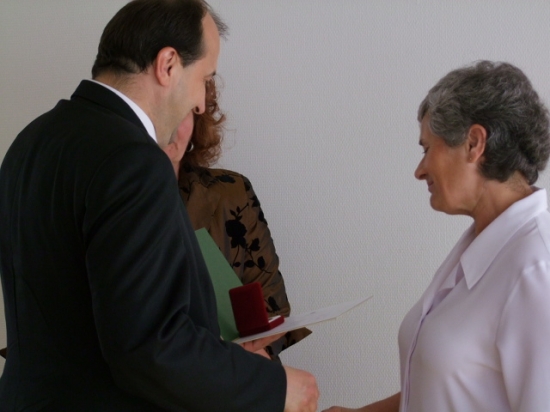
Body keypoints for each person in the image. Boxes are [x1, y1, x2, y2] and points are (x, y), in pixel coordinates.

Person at [0, 1, 318, 411]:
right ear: (167, 65)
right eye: (204, 78)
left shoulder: (29, 143)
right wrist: (274, 387)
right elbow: (150, 348)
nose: (201, 103)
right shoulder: (133, 159)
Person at [323, 60, 550, 412]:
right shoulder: (482, 244)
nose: (420, 170)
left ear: (474, 143)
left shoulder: (537, 268)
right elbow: (452, 388)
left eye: (427, 148)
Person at [162, 78, 311, 361]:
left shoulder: (231, 193)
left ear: (197, 117)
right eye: (156, 114)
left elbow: (273, 308)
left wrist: (253, 357)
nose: (167, 128)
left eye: (180, 112)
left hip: (238, 373)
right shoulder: (104, 199)